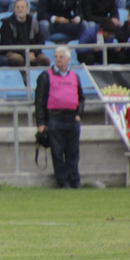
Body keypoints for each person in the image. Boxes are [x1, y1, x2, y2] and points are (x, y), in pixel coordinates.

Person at [34, 46, 83, 188]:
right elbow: (39, 100)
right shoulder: (45, 76)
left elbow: (81, 98)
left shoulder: (75, 76)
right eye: (56, 57)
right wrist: (41, 123)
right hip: (55, 118)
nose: (58, 59)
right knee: (57, 152)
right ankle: (63, 182)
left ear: (68, 59)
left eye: (61, 57)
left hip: (72, 119)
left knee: (73, 153)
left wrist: (79, 113)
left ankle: (75, 180)